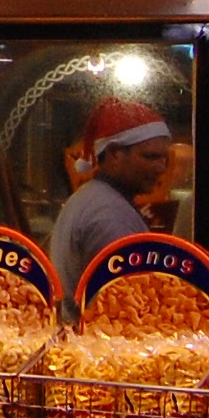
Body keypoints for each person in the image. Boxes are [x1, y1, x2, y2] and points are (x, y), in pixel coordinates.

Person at [51, 95, 172, 323]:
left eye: (164, 158)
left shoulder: (92, 197)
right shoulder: (109, 214)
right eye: (150, 157)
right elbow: (125, 310)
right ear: (115, 154)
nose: (161, 168)